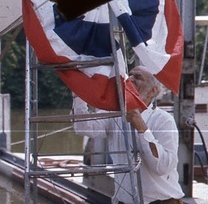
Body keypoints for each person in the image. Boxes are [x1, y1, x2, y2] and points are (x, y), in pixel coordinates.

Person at [73, 66, 185, 204]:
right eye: (129, 75)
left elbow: (163, 167)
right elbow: (82, 127)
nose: (130, 79)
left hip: (163, 201)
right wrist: (78, 92)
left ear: (153, 91)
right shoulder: (114, 115)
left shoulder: (164, 120)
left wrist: (142, 127)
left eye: (138, 77)